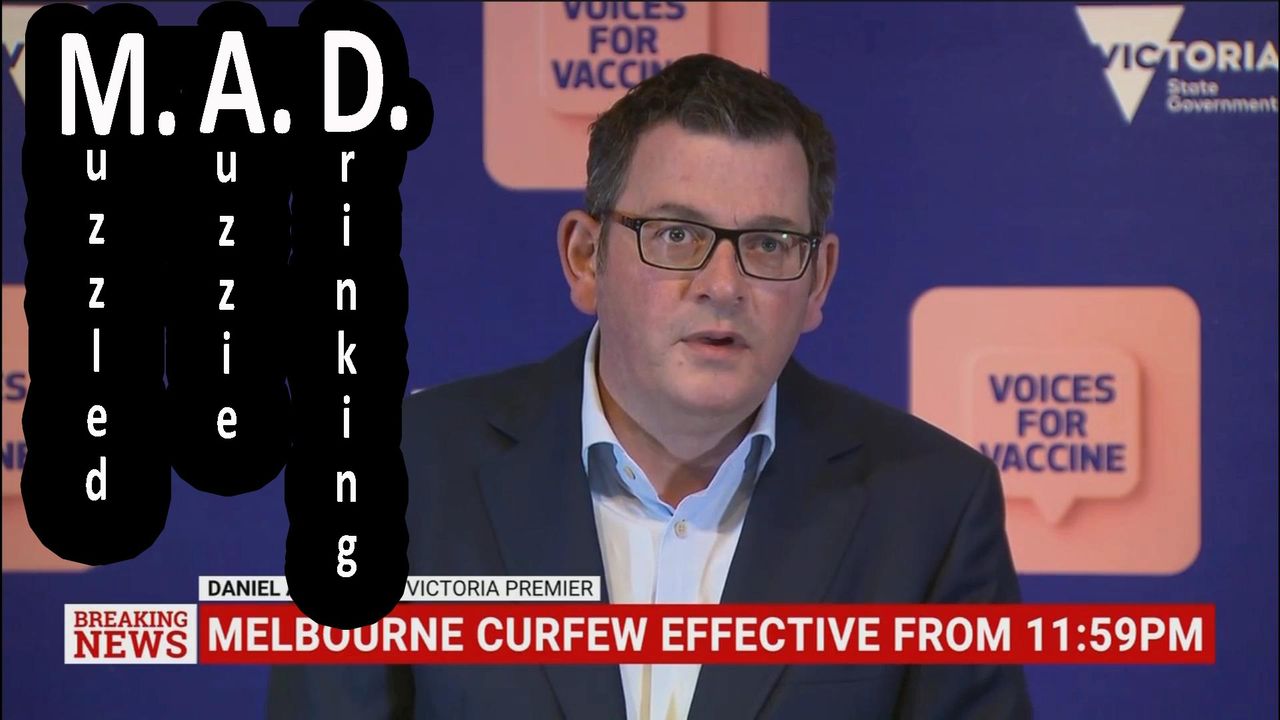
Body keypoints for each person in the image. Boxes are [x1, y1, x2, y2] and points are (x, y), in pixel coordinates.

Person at [268, 53, 1031, 719]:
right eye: (676, 235)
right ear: (585, 258)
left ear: (819, 279)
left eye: (769, 243)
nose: (723, 284)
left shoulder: (931, 507)